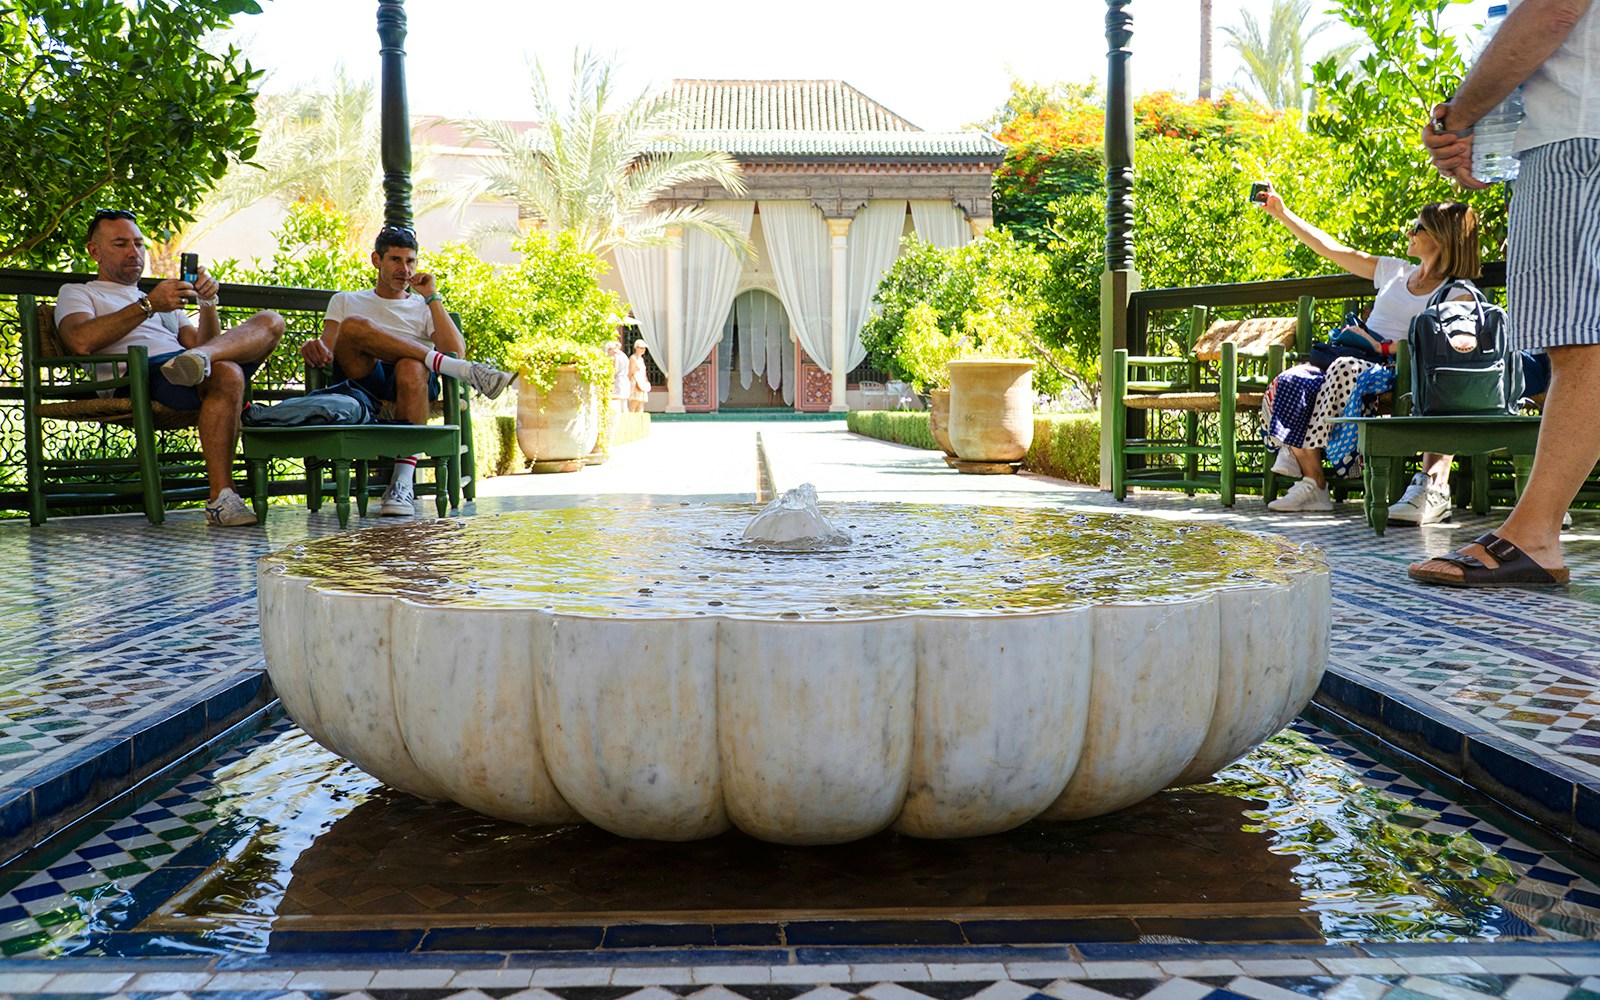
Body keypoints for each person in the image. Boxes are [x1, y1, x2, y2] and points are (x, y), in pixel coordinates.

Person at [1411, 0, 1598, 586]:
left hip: (1576, 134)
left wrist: (1459, 119)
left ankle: (1535, 535)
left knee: (1579, 340)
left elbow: (1553, 9)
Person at [1255, 192, 1483, 514]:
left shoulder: (1456, 293)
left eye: (1417, 228)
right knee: (1292, 379)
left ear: (1441, 238)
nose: (1409, 234)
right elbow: (1331, 249)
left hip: (1395, 370)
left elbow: (1449, 349)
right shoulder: (1395, 270)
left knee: (1345, 368)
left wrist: (1382, 347)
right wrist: (1282, 213)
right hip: (1348, 358)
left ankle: (1310, 451)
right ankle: (1314, 484)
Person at [54, 209, 284, 527]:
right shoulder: (79, 292)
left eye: (138, 243)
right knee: (226, 369)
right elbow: (80, 340)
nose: (134, 252)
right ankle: (222, 496)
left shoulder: (161, 299)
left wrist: (207, 304)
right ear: (94, 251)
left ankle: (202, 361)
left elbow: (201, 341)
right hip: (136, 376)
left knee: (271, 321)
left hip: (183, 368)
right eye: (120, 244)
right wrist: (148, 306)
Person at [301, 225, 515, 517]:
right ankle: (462, 371)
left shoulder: (422, 305)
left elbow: (456, 348)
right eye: (396, 260)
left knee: (411, 365)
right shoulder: (346, 301)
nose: (405, 268)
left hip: (412, 382)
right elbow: (328, 350)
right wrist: (312, 346)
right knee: (354, 326)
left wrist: (431, 296)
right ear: (377, 260)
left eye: (411, 261)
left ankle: (402, 482)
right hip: (362, 381)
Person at [628, 340, 652, 413]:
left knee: (641, 403)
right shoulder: (633, 358)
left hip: (642, 383)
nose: (643, 350)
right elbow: (630, 372)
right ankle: (630, 422)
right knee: (634, 402)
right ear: (637, 348)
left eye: (644, 348)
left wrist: (646, 382)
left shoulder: (641, 359)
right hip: (635, 383)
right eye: (641, 348)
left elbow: (644, 373)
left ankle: (639, 422)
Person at [608, 340, 630, 414]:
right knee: (624, 402)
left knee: (618, 401)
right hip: (624, 379)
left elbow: (615, 369)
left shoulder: (616, 356)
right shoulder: (624, 355)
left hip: (618, 379)